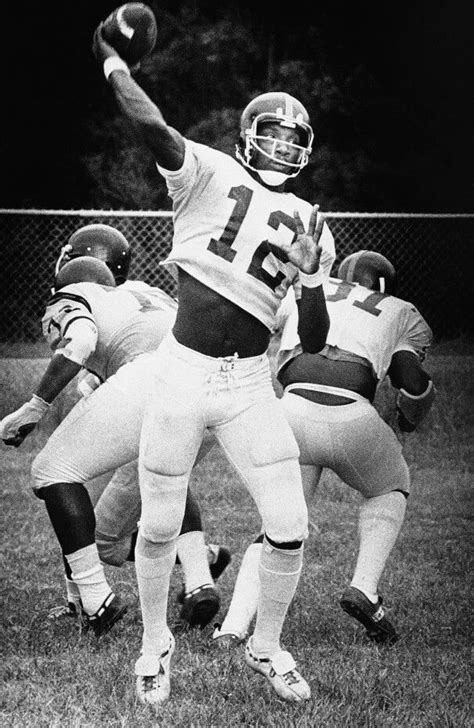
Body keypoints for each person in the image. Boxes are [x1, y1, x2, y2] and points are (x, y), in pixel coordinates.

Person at [92, 21, 336, 708]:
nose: (284, 145)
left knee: (290, 524)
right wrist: (113, 62)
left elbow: (312, 339)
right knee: (161, 523)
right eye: (274, 132)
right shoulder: (205, 171)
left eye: (296, 138)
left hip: (250, 382)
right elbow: (154, 127)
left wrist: (313, 280)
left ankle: (266, 643)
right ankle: (153, 646)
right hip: (183, 369)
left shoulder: (312, 221)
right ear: (247, 133)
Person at [0, 226, 229, 636]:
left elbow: (80, 340)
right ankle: (199, 576)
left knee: (53, 472)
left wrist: (34, 407)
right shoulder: (149, 293)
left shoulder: (74, 295)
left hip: (152, 379)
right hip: (214, 383)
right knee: (157, 472)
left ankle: (95, 601)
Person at [213, 250, 435, 648]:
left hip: (291, 410)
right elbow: (410, 380)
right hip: (353, 411)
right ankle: (364, 588)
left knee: (276, 527)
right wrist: (409, 416)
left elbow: (251, 330)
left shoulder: (308, 288)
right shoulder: (401, 310)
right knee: (391, 487)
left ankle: (232, 627)